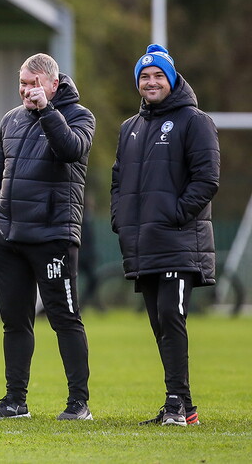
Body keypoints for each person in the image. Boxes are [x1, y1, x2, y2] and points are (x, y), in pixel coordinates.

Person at [0, 53, 95, 421]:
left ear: (53, 84)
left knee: (64, 319)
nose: (27, 90)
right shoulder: (10, 120)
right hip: (7, 236)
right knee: (14, 321)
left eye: (33, 83)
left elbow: (70, 150)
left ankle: (78, 404)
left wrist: (47, 111)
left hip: (52, 236)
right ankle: (15, 402)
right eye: (23, 83)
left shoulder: (79, 116)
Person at [111, 44, 219, 427]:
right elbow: (118, 180)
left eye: (158, 75)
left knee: (171, 316)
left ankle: (175, 403)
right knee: (160, 322)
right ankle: (183, 406)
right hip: (143, 243)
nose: (151, 82)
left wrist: (174, 215)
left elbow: (207, 180)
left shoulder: (194, 121)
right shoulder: (130, 128)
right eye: (145, 76)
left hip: (177, 240)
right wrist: (121, 218)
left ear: (172, 80)